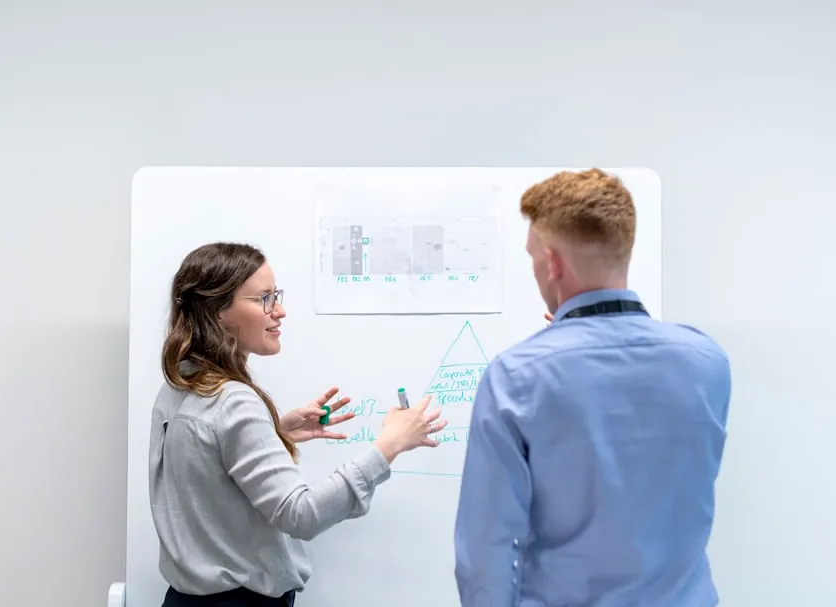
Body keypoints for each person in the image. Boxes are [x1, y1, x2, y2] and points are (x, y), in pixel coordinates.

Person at [453, 169, 732, 606]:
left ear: (553, 263)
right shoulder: (707, 362)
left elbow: (485, 552)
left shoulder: (516, 378)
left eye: (532, 258)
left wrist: (554, 351)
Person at [150, 242, 448, 607]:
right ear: (219, 312)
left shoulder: (180, 384)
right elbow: (301, 515)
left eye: (277, 296)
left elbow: (206, 470)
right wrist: (389, 446)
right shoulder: (234, 403)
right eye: (264, 299)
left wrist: (275, 434)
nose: (280, 311)